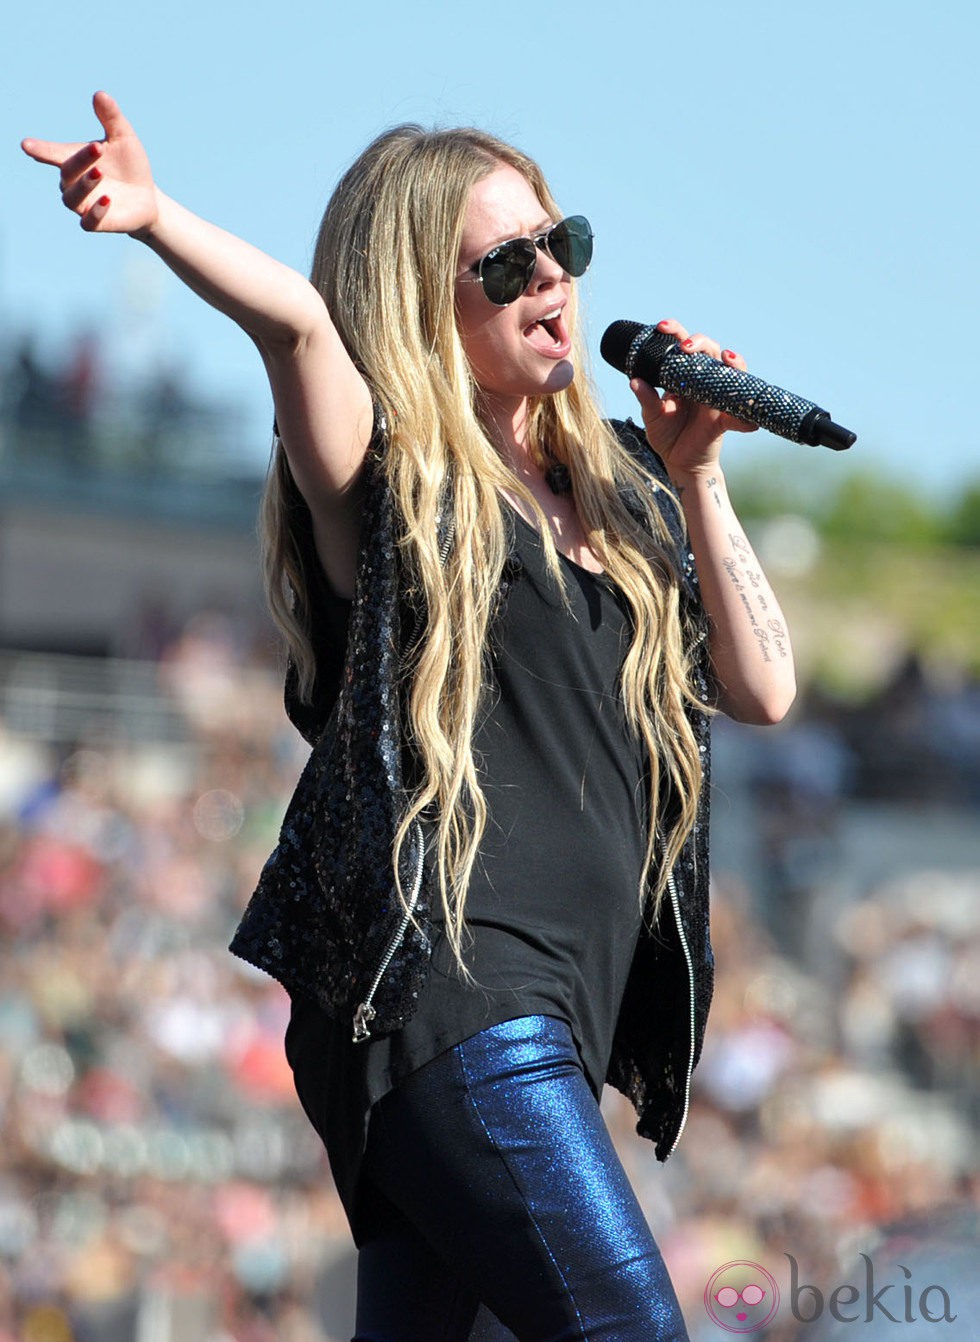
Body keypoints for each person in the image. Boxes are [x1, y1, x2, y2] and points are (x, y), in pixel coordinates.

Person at [23, 92, 797, 1340]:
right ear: (421, 298)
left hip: (558, 1017)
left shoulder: (626, 486)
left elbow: (764, 688)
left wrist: (698, 470)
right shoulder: (396, 481)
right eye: (505, 261)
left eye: (562, 244)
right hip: (454, 1003)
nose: (551, 276)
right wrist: (157, 220)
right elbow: (298, 330)